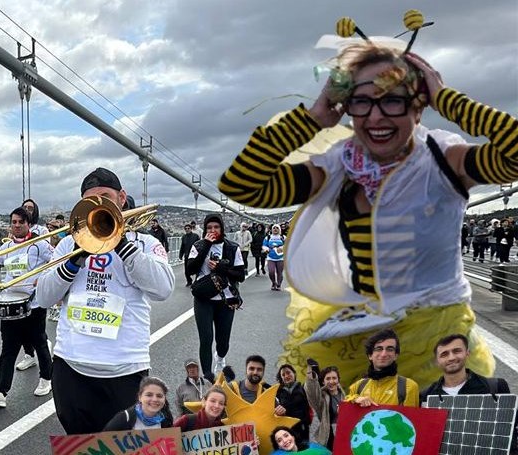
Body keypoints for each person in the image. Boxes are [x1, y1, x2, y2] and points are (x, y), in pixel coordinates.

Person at [217, 12, 514, 386]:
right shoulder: (339, 168)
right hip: (365, 336)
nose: (375, 117)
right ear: (346, 107)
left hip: (436, 335)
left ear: (418, 106)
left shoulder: (443, 159)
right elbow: (242, 184)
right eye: (361, 102)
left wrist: (448, 99)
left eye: (393, 101)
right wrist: (313, 118)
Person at [35, 167, 175, 435]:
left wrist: (121, 244)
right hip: (70, 367)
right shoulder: (68, 246)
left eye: (106, 197)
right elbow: (43, 297)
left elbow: (163, 289)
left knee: (125, 447)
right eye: (91, 199)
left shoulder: (145, 243)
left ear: (121, 198)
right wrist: (75, 259)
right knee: (79, 446)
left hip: (125, 370)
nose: (99, 204)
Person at [0, 207, 54, 408]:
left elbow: (55, 262)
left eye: (21, 222)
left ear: (29, 224)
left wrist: (45, 280)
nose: (17, 225)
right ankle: (0, 392)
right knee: (8, 349)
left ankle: (46, 378)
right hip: (11, 305)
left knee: (39, 342)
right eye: (14, 222)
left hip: (34, 303)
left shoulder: (40, 245)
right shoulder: (6, 248)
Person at [185, 213, 245, 381]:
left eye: (216, 227)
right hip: (203, 299)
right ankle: (207, 375)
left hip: (226, 301)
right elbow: (190, 269)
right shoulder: (198, 245)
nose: (213, 230)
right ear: (205, 229)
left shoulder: (232, 247)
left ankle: (220, 358)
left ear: (222, 228)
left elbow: (240, 275)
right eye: (209, 227)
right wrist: (206, 245)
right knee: (206, 338)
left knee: (223, 340)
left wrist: (221, 269)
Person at [420, 333, 511, 403]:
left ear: (467, 353)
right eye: (444, 354)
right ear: (437, 361)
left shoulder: (496, 387)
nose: (451, 358)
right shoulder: (425, 396)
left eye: (457, 351)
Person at [15, 198, 50, 370]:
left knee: (36, 330)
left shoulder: (41, 230)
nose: (27, 209)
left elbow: (48, 255)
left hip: (35, 285)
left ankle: (45, 372)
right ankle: (28, 354)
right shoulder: (17, 227)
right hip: (18, 285)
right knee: (20, 329)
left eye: (30, 208)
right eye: (25, 207)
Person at [346, 329, 419, 407]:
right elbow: (343, 414)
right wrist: (354, 400)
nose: (384, 354)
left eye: (390, 349)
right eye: (379, 349)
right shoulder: (357, 386)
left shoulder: (408, 387)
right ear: (370, 355)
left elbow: (411, 418)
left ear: (396, 355)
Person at [103, 376, 174, 431]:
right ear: (140, 397)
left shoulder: (166, 419)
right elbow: (103, 440)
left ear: (164, 399)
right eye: (149, 395)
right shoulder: (124, 418)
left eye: (159, 396)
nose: (154, 399)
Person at [305, 364, 345, 450]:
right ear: (323, 382)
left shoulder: (344, 395)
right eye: (328, 379)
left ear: (338, 380)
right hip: (330, 438)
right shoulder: (321, 399)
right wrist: (309, 372)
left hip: (345, 435)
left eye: (334, 378)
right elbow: (311, 392)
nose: (331, 381)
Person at [274, 364, 311, 445]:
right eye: (283, 375)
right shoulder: (279, 392)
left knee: (304, 450)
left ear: (294, 373)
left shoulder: (303, 388)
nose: (286, 376)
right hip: (288, 429)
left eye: (288, 373)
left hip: (302, 427)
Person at [262, 224, 285, 290]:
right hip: (271, 257)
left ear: (279, 229)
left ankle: (279, 285)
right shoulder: (268, 237)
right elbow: (264, 245)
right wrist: (266, 249)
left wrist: (281, 247)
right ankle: (273, 282)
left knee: (279, 272)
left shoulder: (283, 237)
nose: (275, 229)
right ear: (272, 229)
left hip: (280, 257)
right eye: (274, 228)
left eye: (277, 228)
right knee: (271, 271)